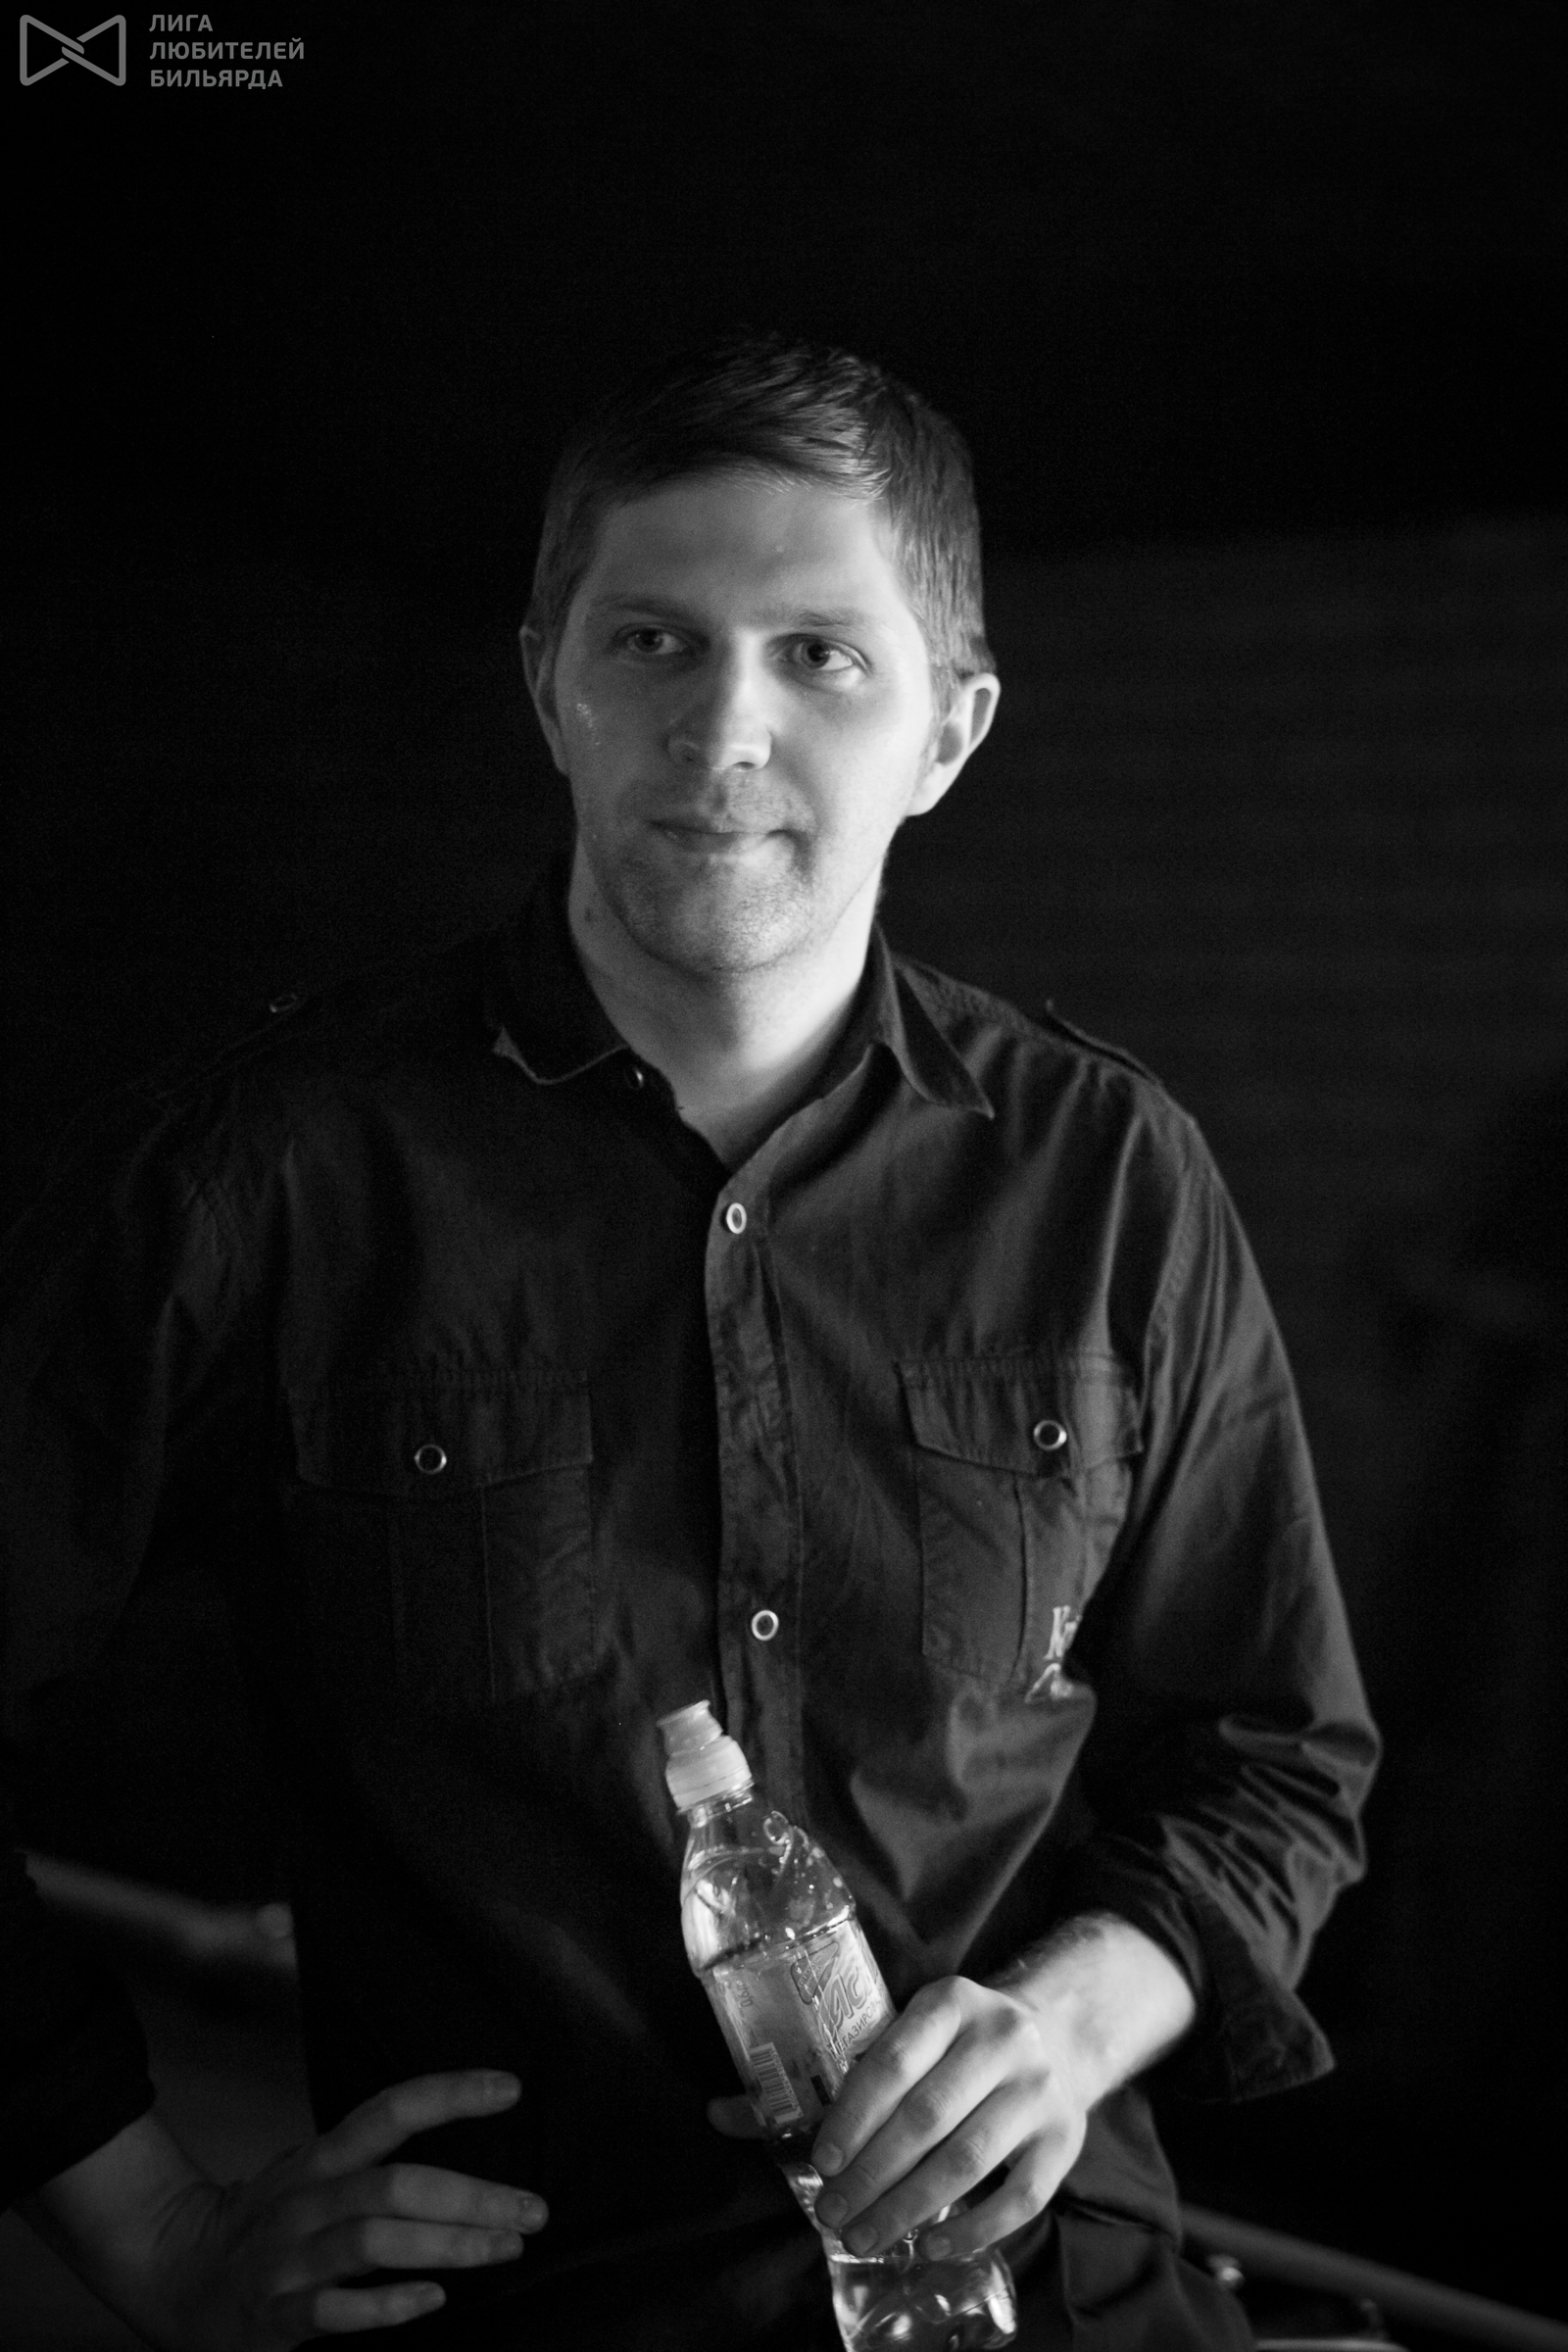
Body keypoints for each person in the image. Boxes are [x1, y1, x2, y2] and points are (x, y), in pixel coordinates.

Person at [1, 331, 1378, 2349]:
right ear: (546, 685)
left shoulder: (1108, 1173)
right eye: (652, 642)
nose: (724, 726)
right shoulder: (268, 1176)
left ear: (947, 731)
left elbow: (1276, 1761)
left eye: (821, 656)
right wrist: (144, 2227)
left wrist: (1069, 2024)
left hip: (1061, 2299)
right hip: (536, 2304)